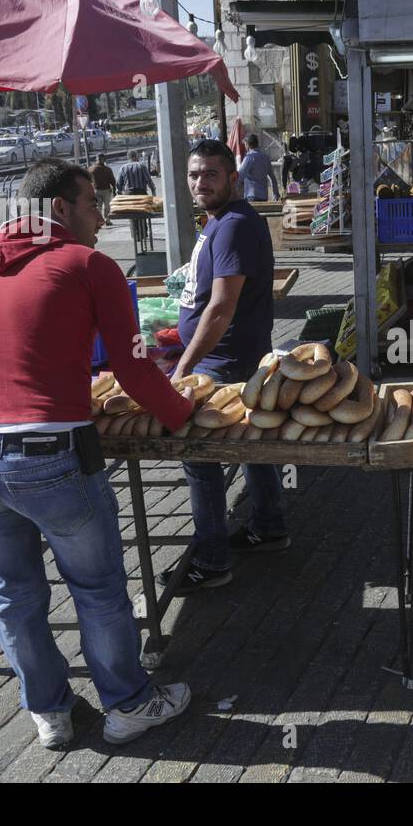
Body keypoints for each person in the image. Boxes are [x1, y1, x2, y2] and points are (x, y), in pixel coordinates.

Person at [0, 157, 194, 750]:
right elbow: (131, 366)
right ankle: (129, 704)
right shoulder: (88, 265)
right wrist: (183, 415)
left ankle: (49, 713)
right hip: (50, 457)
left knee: (13, 593)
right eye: (93, 205)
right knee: (99, 588)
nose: (102, 219)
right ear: (58, 209)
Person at [159, 138, 288, 594]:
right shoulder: (219, 221)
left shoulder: (232, 225)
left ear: (232, 177)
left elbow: (220, 309)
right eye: (194, 174)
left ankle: (212, 559)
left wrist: (183, 367)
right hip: (231, 358)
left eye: (210, 174)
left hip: (223, 363)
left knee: (201, 459)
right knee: (251, 446)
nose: (199, 183)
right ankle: (269, 525)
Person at [238, 133, 280, 201]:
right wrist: (276, 193)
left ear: (247, 145)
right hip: (263, 196)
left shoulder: (249, 158)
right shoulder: (266, 158)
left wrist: (233, 194)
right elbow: (272, 178)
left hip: (251, 195)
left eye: (245, 144)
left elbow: (240, 176)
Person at [91, 153, 116, 224]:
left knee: (98, 207)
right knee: (107, 206)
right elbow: (113, 181)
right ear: (104, 160)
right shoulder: (108, 169)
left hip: (96, 190)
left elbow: (88, 181)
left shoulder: (91, 169)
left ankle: (99, 221)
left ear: (96, 159)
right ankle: (107, 220)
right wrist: (114, 191)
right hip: (106, 190)